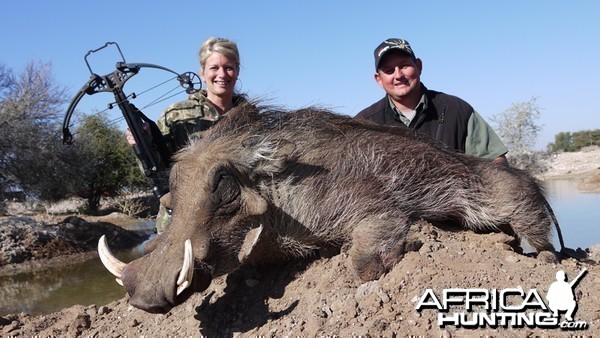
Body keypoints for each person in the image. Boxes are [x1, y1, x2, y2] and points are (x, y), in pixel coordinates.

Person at [128, 37, 248, 233]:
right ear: (202, 73)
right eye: (214, 68)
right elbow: (156, 171)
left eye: (228, 67)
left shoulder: (251, 116)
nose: (221, 74)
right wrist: (141, 144)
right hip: (181, 222)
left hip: (236, 222)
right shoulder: (175, 115)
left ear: (237, 71)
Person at [355, 38, 508, 166]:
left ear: (419, 66)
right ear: (379, 79)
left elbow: (496, 161)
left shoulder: (457, 110)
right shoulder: (364, 124)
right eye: (389, 70)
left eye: (404, 66)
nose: (398, 75)